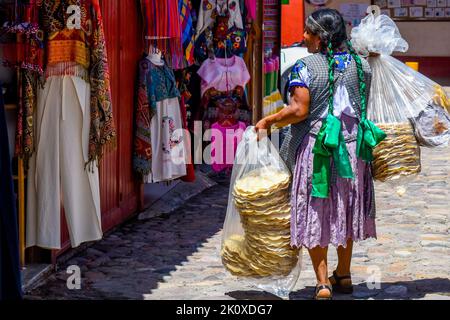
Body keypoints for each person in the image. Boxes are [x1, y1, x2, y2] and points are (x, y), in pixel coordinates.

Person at [256, 9, 379, 300]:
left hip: (318, 148)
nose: (303, 36)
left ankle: (323, 283)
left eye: (309, 31)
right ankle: (344, 274)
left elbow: (299, 110)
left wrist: (269, 121)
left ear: (321, 37)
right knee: (345, 206)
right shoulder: (362, 66)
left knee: (315, 209)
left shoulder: (306, 66)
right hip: (352, 150)